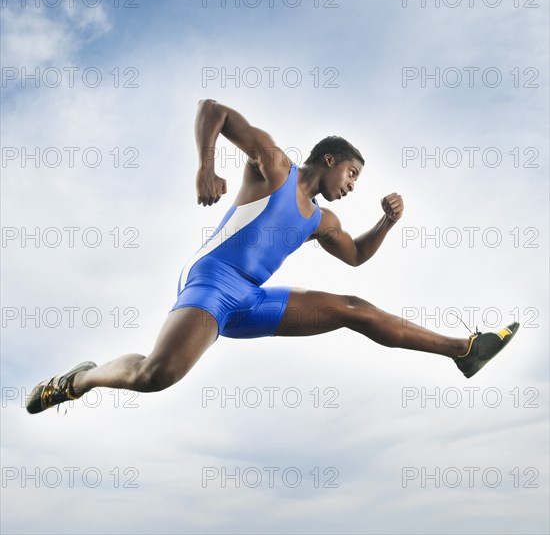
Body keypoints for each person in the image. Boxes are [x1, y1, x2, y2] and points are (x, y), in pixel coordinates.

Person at [26, 99, 519, 414]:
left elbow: (355, 257)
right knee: (158, 375)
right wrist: (206, 167)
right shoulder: (275, 167)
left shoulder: (321, 222)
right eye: (351, 175)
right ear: (330, 161)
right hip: (213, 282)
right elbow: (212, 110)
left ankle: (463, 349)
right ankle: (78, 380)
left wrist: (386, 222)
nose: (351, 187)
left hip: (252, 299)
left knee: (354, 308)